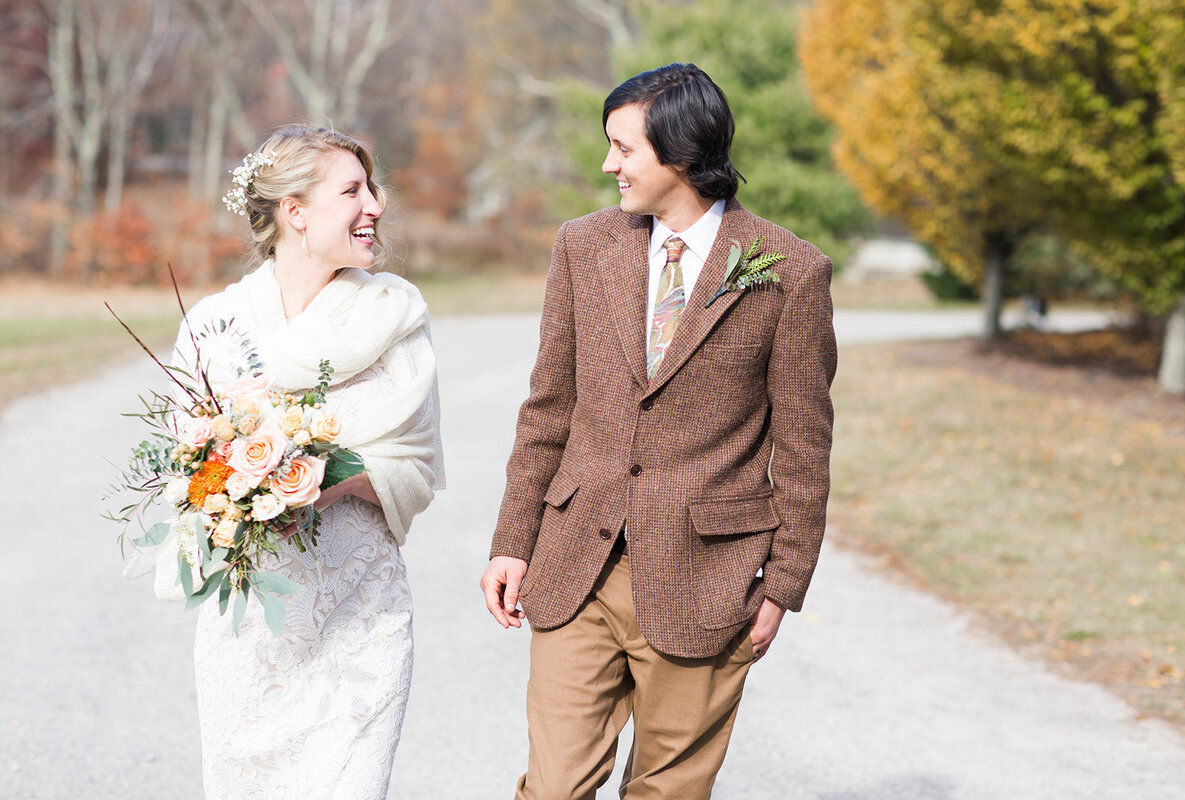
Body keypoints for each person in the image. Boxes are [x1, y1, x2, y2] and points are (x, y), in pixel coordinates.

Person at [480, 63, 837, 799]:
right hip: (576, 566)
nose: (608, 164)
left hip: (708, 579)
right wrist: (513, 540)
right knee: (554, 789)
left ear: (680, 154)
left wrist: (785, 584)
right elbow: (548, 407)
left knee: (667, 793)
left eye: (623, 148)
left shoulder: (790, 272)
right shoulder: (583, 247)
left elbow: (804, 447)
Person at [173, 124, 444, 799]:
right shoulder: (215, 325)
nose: (375, 205)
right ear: (296, 212)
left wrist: (331, 481)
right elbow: (187, 465)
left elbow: (417, 462)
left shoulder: (394, 314)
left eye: (372, 188)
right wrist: (239, 483)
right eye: (353, 190)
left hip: (360, 615)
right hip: (251, 629)